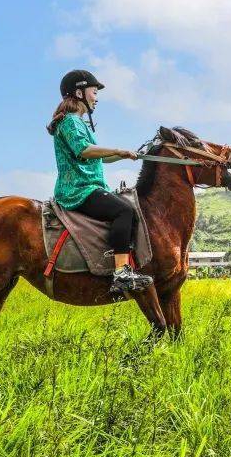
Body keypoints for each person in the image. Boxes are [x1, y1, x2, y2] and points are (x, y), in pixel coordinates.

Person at [47, 69, 153, 294]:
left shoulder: (78, 123)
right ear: (79, 93)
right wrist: (117, 149)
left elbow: (101, 156)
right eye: (94, 92)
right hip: (79, 190)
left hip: (88, 188)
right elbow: (84, 150)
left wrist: (124, 154)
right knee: (124, 211)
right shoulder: (71, 121)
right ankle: (121, 273)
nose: (97, 97)